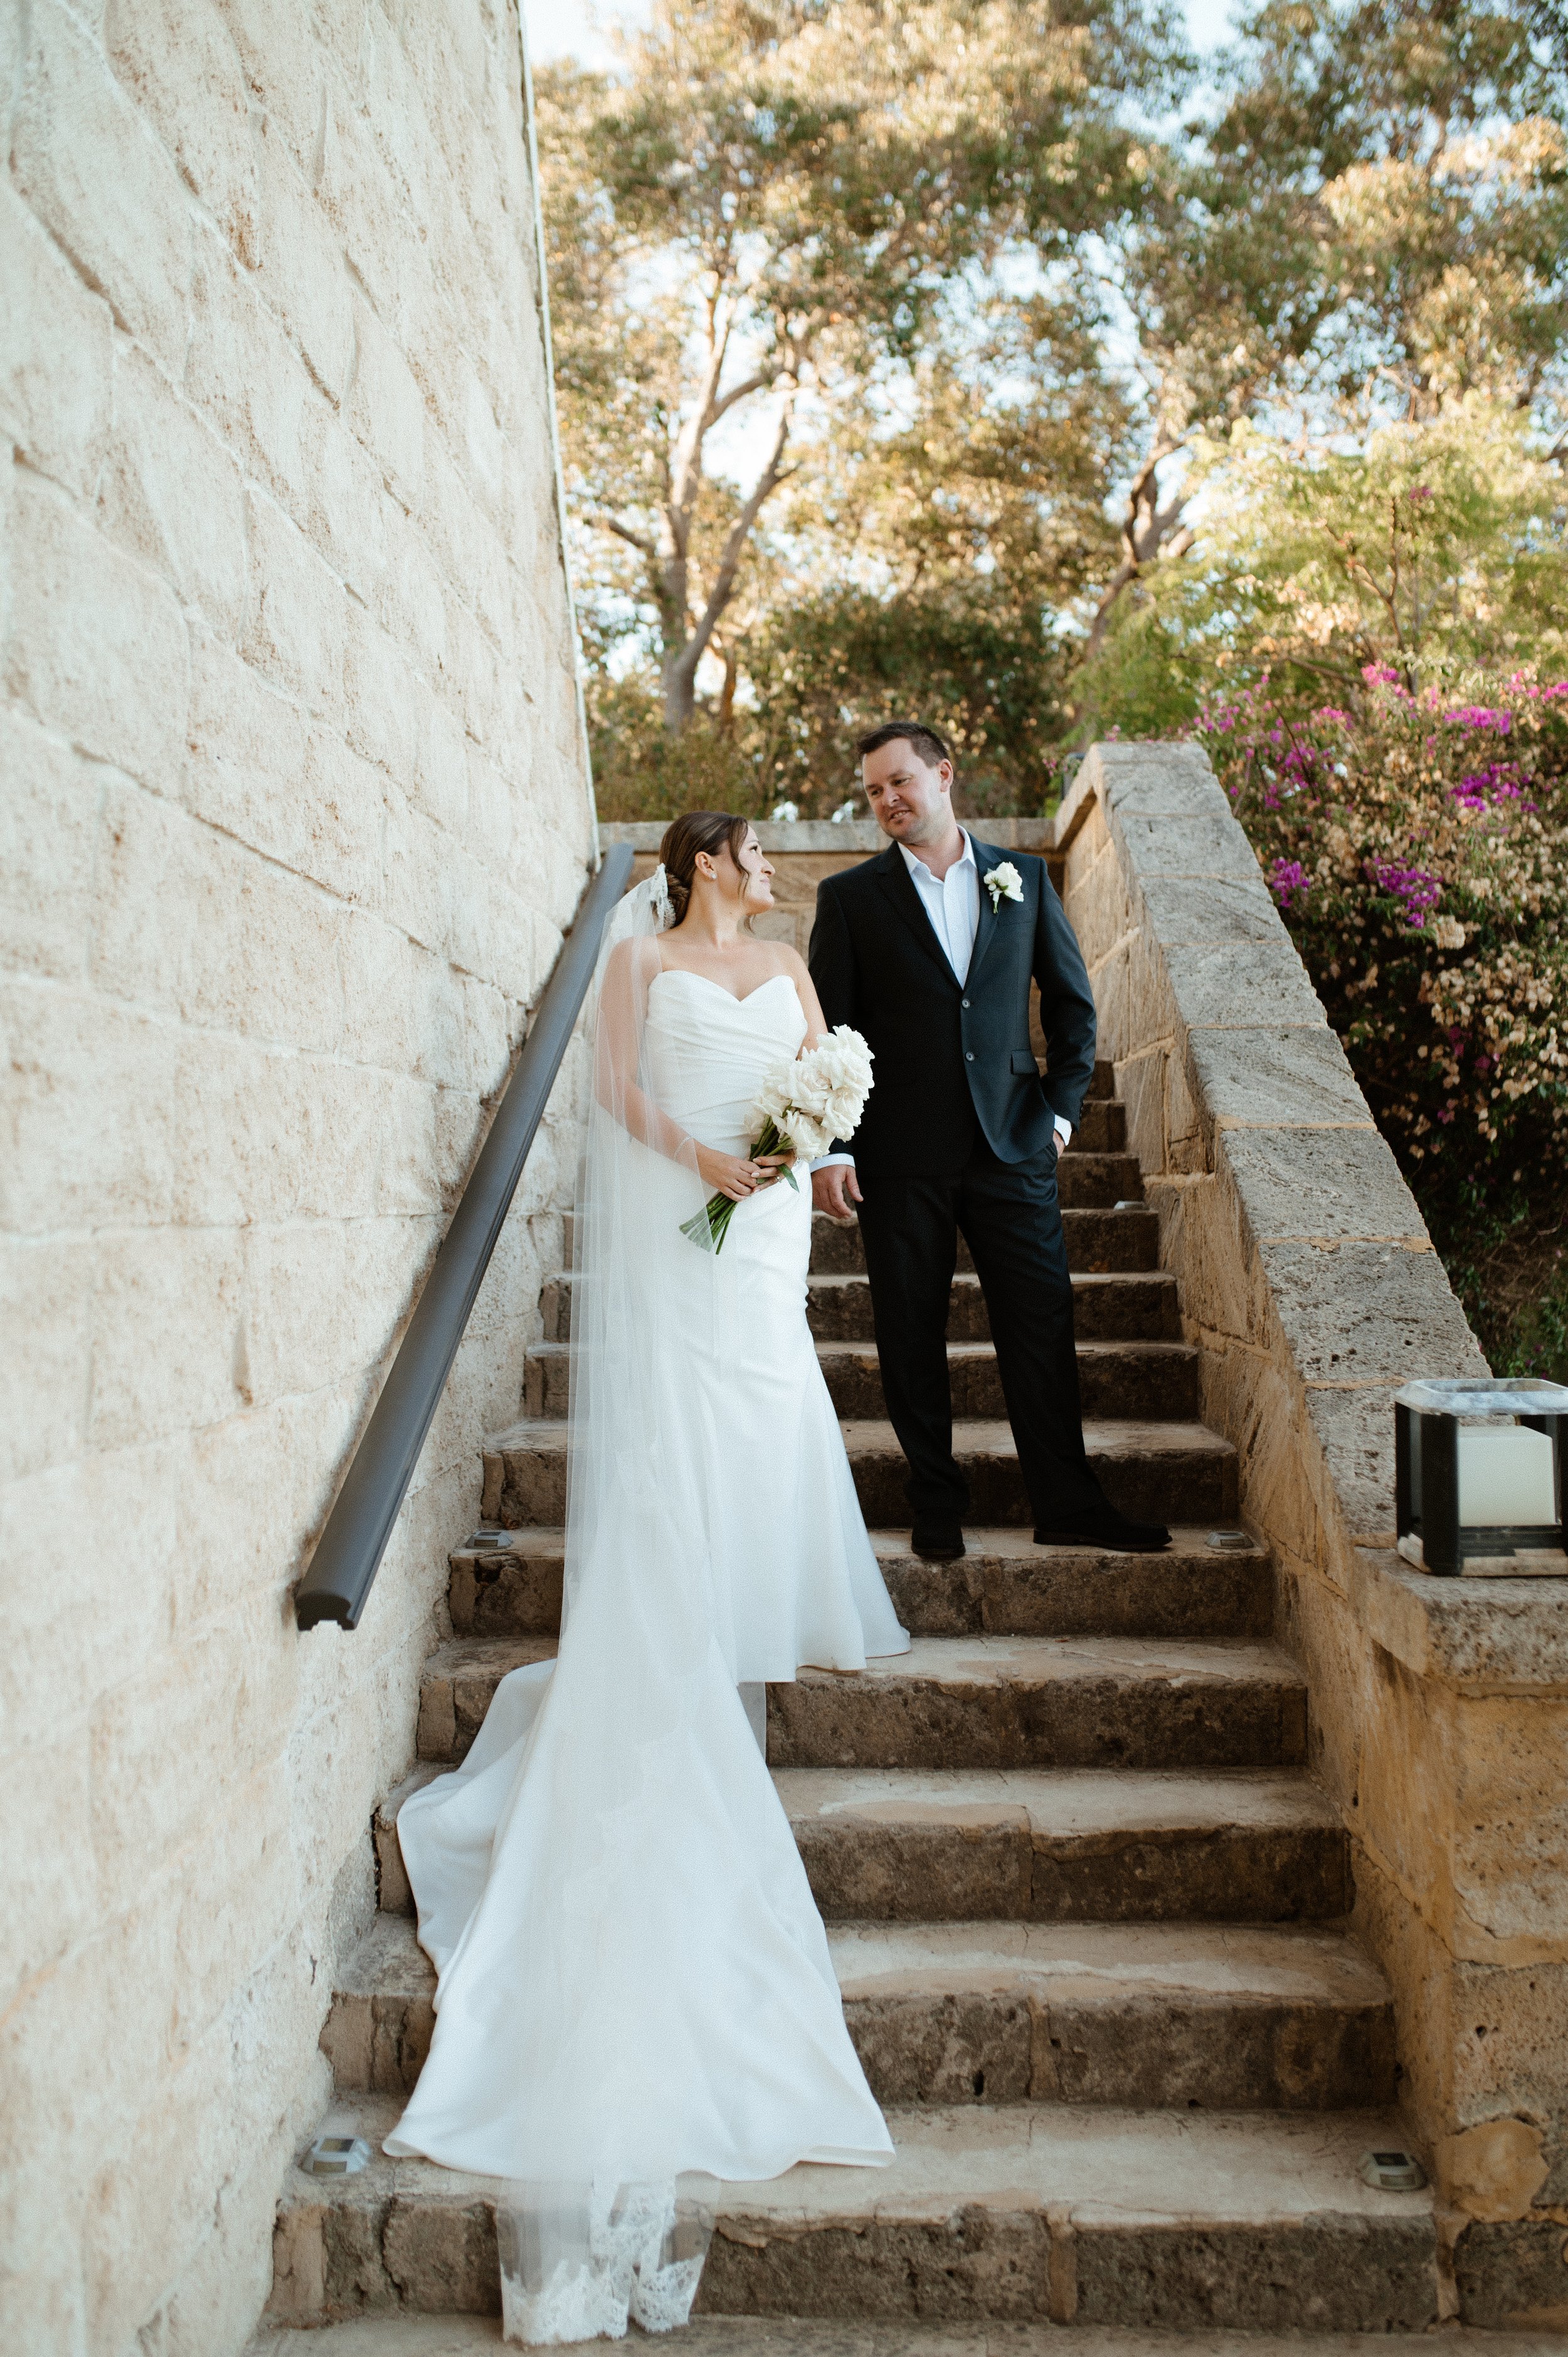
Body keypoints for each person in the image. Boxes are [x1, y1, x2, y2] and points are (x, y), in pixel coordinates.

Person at [383, 812, 907, 2343]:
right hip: (691, 1214)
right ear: (698, 860)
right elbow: (610, 1089)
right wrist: (709, 1156)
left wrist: (818, 1166)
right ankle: (671, 1622)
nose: (764, 866)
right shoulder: (642, 960)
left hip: (763, 1241)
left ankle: (736, 1594)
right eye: (747, 848)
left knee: (758, 1409)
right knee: (680, 1423)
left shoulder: (792, 966)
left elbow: (826, 1087)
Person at [810, 720, 1170, 1559]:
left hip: (1013, 1143)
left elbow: (1074, 1010)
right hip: (899, 1154)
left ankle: (1068, 1499)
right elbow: (826, 1032)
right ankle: (935, 1498)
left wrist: (1058, 1113)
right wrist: (834, 1146)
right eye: (872, 792)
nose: (887, 801)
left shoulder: (1025, 878)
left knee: (1041, 1322)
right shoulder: (852, 899)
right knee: (909, 1329)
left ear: (944, 774)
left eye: (899, 782)